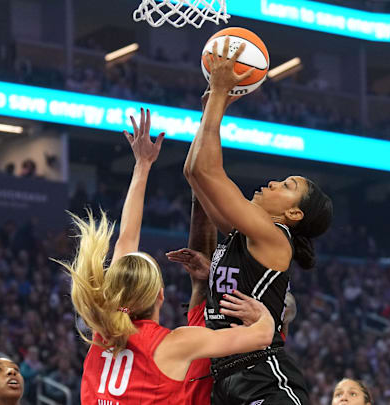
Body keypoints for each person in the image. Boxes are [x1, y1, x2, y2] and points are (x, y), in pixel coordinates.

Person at [57, 108, 275, 404]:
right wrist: (265, 316)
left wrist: (142, 165)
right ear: (160, 295)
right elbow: (261, 337)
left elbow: (126, 240)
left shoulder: (104, 328)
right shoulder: (176, 343)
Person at [183, 37, 333, 404]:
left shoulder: (274, 236)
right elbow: (192, 173)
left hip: (263, 377)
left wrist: (219, 93)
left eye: (287, 185)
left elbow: (207, 168)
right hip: (225, 377)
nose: (272, 182)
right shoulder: (241, 233)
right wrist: (208, 112)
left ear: (293, 214)